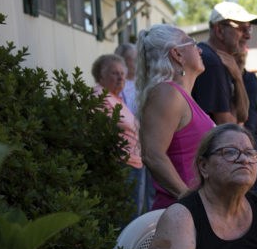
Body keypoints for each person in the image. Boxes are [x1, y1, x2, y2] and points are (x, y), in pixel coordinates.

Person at [136, 24, 215, 210]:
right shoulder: (167, 93)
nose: (200, 50)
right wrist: (188, 198)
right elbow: (152, 154)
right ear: (177, 54)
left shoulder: (183, 97)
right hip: (179, 213)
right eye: (193, 43)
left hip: (196, 208)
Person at [191, 2, 257, 125]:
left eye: (249, 29)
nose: (248, 36)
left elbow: (242, 116)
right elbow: (228, 125)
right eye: (242, 29)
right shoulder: (212, 63)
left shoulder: (219, 61)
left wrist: (238, 78)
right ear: (219, 30)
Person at [91, 53, 144, 218]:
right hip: (120, 166)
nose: (121, 77)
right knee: (124, 216)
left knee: (132, 213)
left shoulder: (116, 99)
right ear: (101, 75)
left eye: (122, 73)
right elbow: (96, 132)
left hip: (132, 164)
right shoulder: (100, 97)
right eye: (114, 73)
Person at [117, 41, 156, 213]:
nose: (138, 63)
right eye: (134, 60)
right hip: (132, 145)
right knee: (136, 192)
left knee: (152, 187)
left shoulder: (144, 83)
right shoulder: (120, 87)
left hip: (150, 140)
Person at [235, 48, 257, 195]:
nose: (241, 58)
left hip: (256, 138)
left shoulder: (252, 79)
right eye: (238, 55)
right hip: (237, 140)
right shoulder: (226, 79)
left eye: (243, 55)